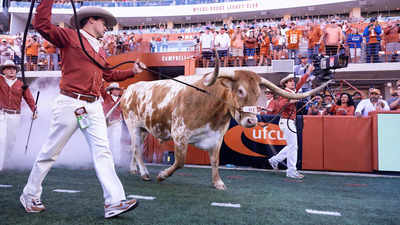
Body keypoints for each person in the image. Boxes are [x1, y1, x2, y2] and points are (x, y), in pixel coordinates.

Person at [20, 2, 146, 219]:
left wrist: (131, 72)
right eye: (103, 22)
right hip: (71, 103)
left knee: (103, 152)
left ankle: (114, 202)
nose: (106, 27)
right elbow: (41, 24)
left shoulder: (99, 48)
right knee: (51, 152)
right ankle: (29, 194)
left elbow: (108, 74)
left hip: (93, 105)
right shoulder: (69, 36)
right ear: (91, 20)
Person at [268, 64, 314, 179]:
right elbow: (281, 105)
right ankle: (291, 170)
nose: (293, 83)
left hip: (288, 121)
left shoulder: (292, 92)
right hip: (287, 121)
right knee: (293, 146)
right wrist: (293, 100)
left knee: (292, 145)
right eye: (290, 81)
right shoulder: (284, 92)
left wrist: (308, 72)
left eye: (293, 81)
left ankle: (275, 160)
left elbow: (301, 82)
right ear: (285, 84)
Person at [0, 60, 37, 171]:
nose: (11, 70)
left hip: (15, 115)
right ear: (4, 71)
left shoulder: (21, 85)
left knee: (10, 142)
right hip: (1, 114)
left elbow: (29, 99)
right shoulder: (0, 80)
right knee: (1, 139)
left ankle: (5, 163)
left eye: (13, 68)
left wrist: (34, 110)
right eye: (8, 68)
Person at [101, 82, 124, 166]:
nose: (118, 91)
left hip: (116, 122)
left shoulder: (122, 99)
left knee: (116, 141)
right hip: (105, 122)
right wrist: (102, 82)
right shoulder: (106, 97)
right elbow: (101, 89)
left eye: (118, 89)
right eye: (116, 89)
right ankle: (104, 160)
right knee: (104, 142)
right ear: (111, 90)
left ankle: (116, 161)